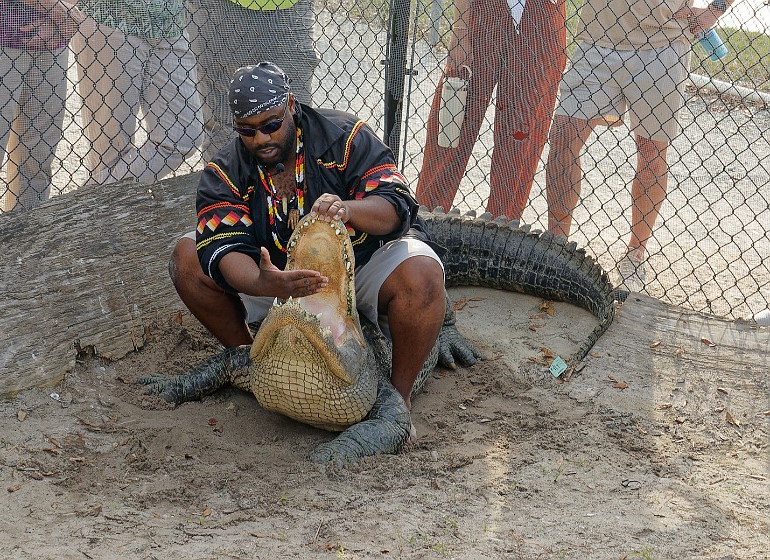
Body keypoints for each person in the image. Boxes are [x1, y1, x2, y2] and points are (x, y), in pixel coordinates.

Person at [170, 62, 446, 427]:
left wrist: (348, 208)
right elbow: (224, 248)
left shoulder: (345, 137)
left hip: (356, 267)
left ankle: (396, 402)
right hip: (276, 279)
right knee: (186, 258)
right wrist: (263, 282)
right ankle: (253, 365)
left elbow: (396, 205)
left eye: (271, 125)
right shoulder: (224, 171)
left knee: (423, 273)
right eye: (247, 130)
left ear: (291, 105)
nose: (261, 139)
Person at [545, 0, 735, 297]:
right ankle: (556, 244)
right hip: (597, 37)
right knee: (563, 137)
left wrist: (716, 9)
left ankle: (636, 252)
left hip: (664, 42)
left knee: (651, 153)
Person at [414, 0, 567, 218]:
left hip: (542, 14)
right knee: (453, 120)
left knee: (521, 136)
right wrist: (460, 29)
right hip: (485, 10)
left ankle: (503, 226)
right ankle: (425, 218)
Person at [0, 0, 83, 230]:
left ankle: (26, 248)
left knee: (37, 167)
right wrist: (53, 7)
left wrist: (60, 16)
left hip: (52, 34)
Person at [71, 0, 203, 186]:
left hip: (171, 23)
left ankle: (87, 197)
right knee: (109, 154)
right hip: (109, 19)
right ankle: (100, 199)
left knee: (183, 136)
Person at [185, 0, 319, 161]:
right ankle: (226, 177)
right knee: (224, 129)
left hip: (289, 10)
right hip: (218, 9)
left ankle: (296, 178)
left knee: (295, 122)